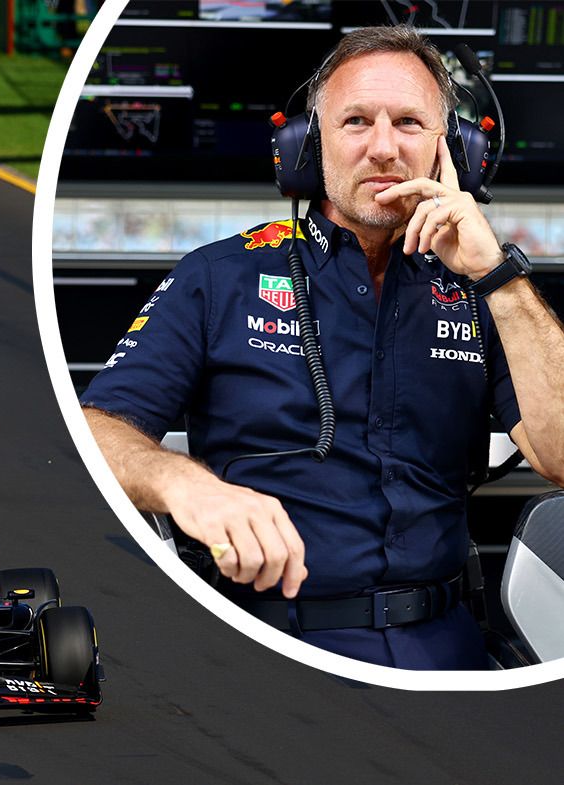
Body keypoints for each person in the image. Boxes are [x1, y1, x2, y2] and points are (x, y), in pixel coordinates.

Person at [79, 26, 564, 669]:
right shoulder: (220, 277)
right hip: (265, 645)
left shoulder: (487, 292)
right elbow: (94, 431)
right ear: (308, 146)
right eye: (356, 121)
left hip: (446, 645)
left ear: (453, 152)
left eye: (410, 123)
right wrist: (183, 485)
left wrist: (498, 274)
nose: (383, 147)